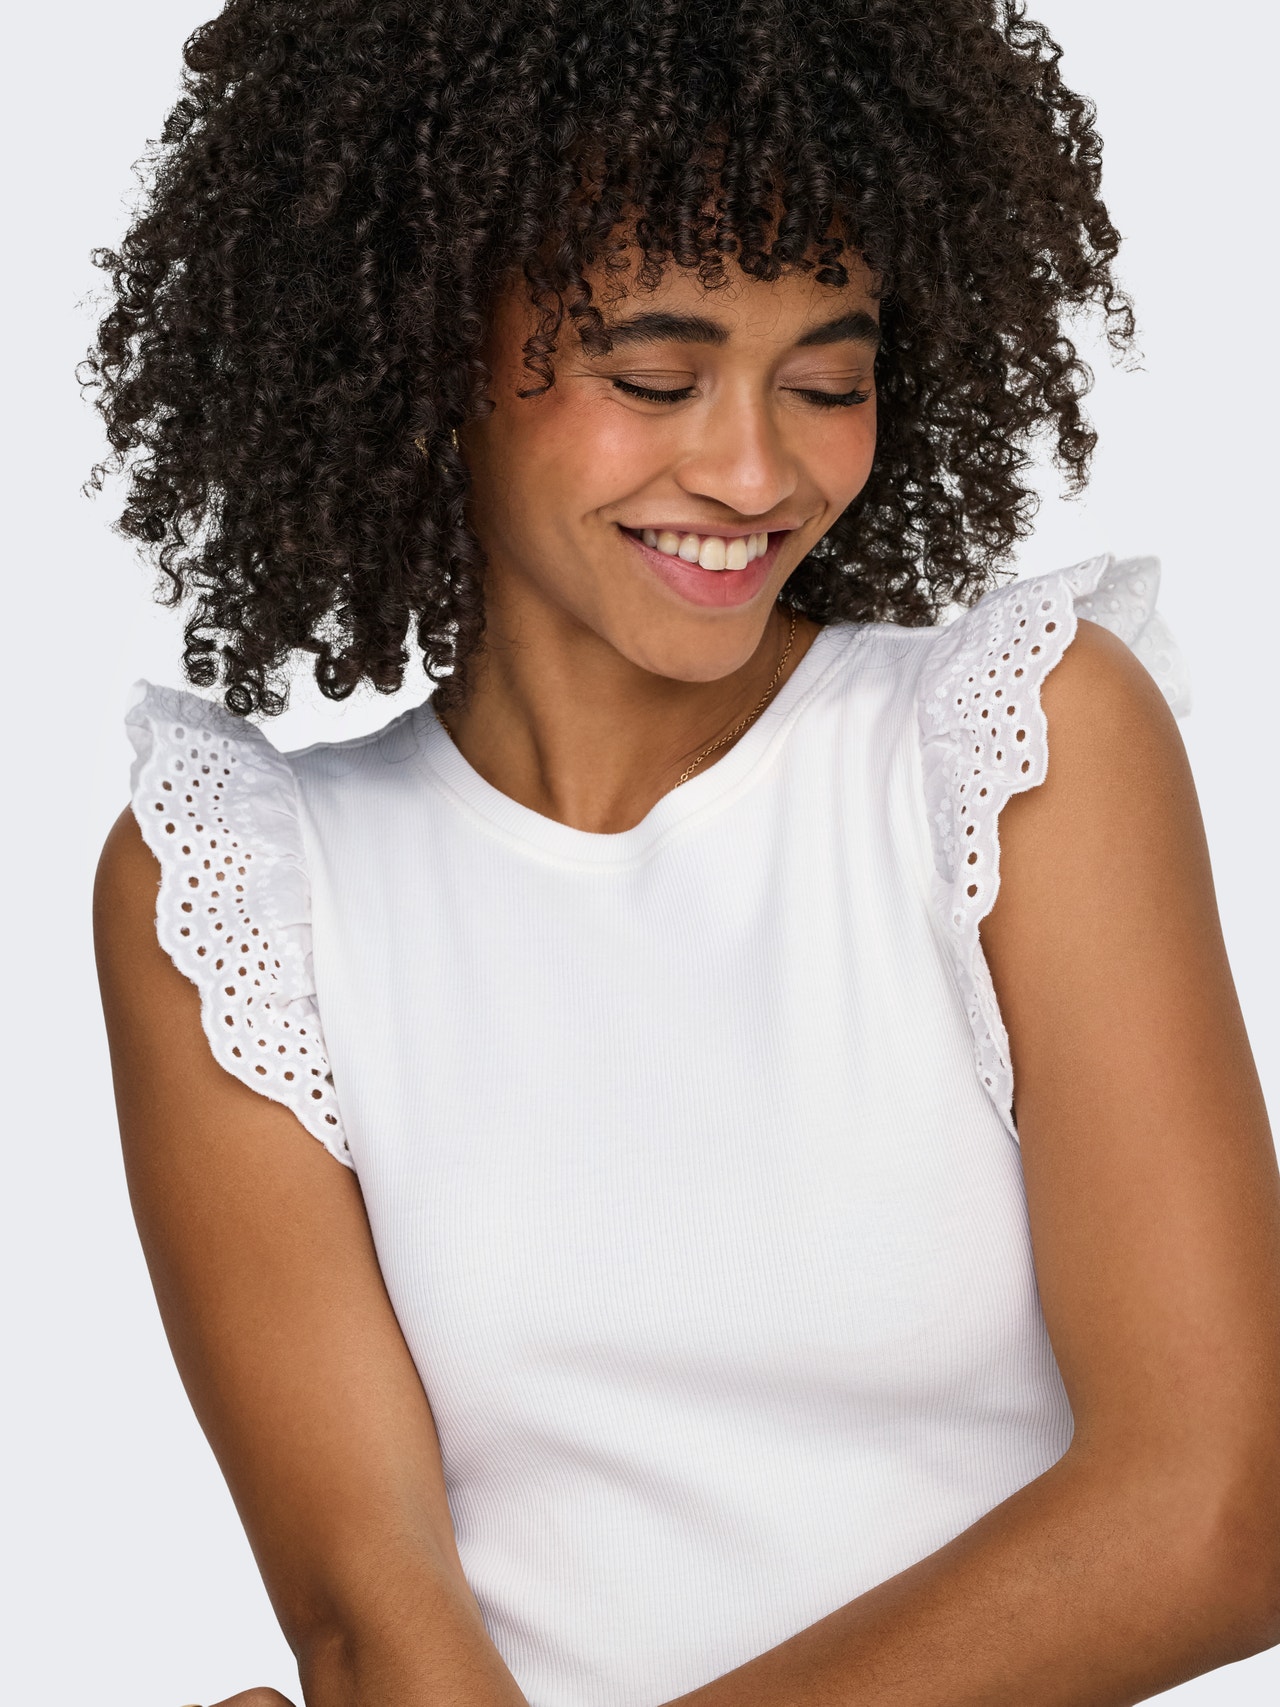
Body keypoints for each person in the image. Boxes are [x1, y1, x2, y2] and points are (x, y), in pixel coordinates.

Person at [88, 2, 1280, 1704]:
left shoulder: (1010, 752)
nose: (751, 469)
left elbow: (1221, 1511)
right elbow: (371, 1617)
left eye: (830, 382)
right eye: (655, 379)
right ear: (427, 351)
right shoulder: (246, 892)